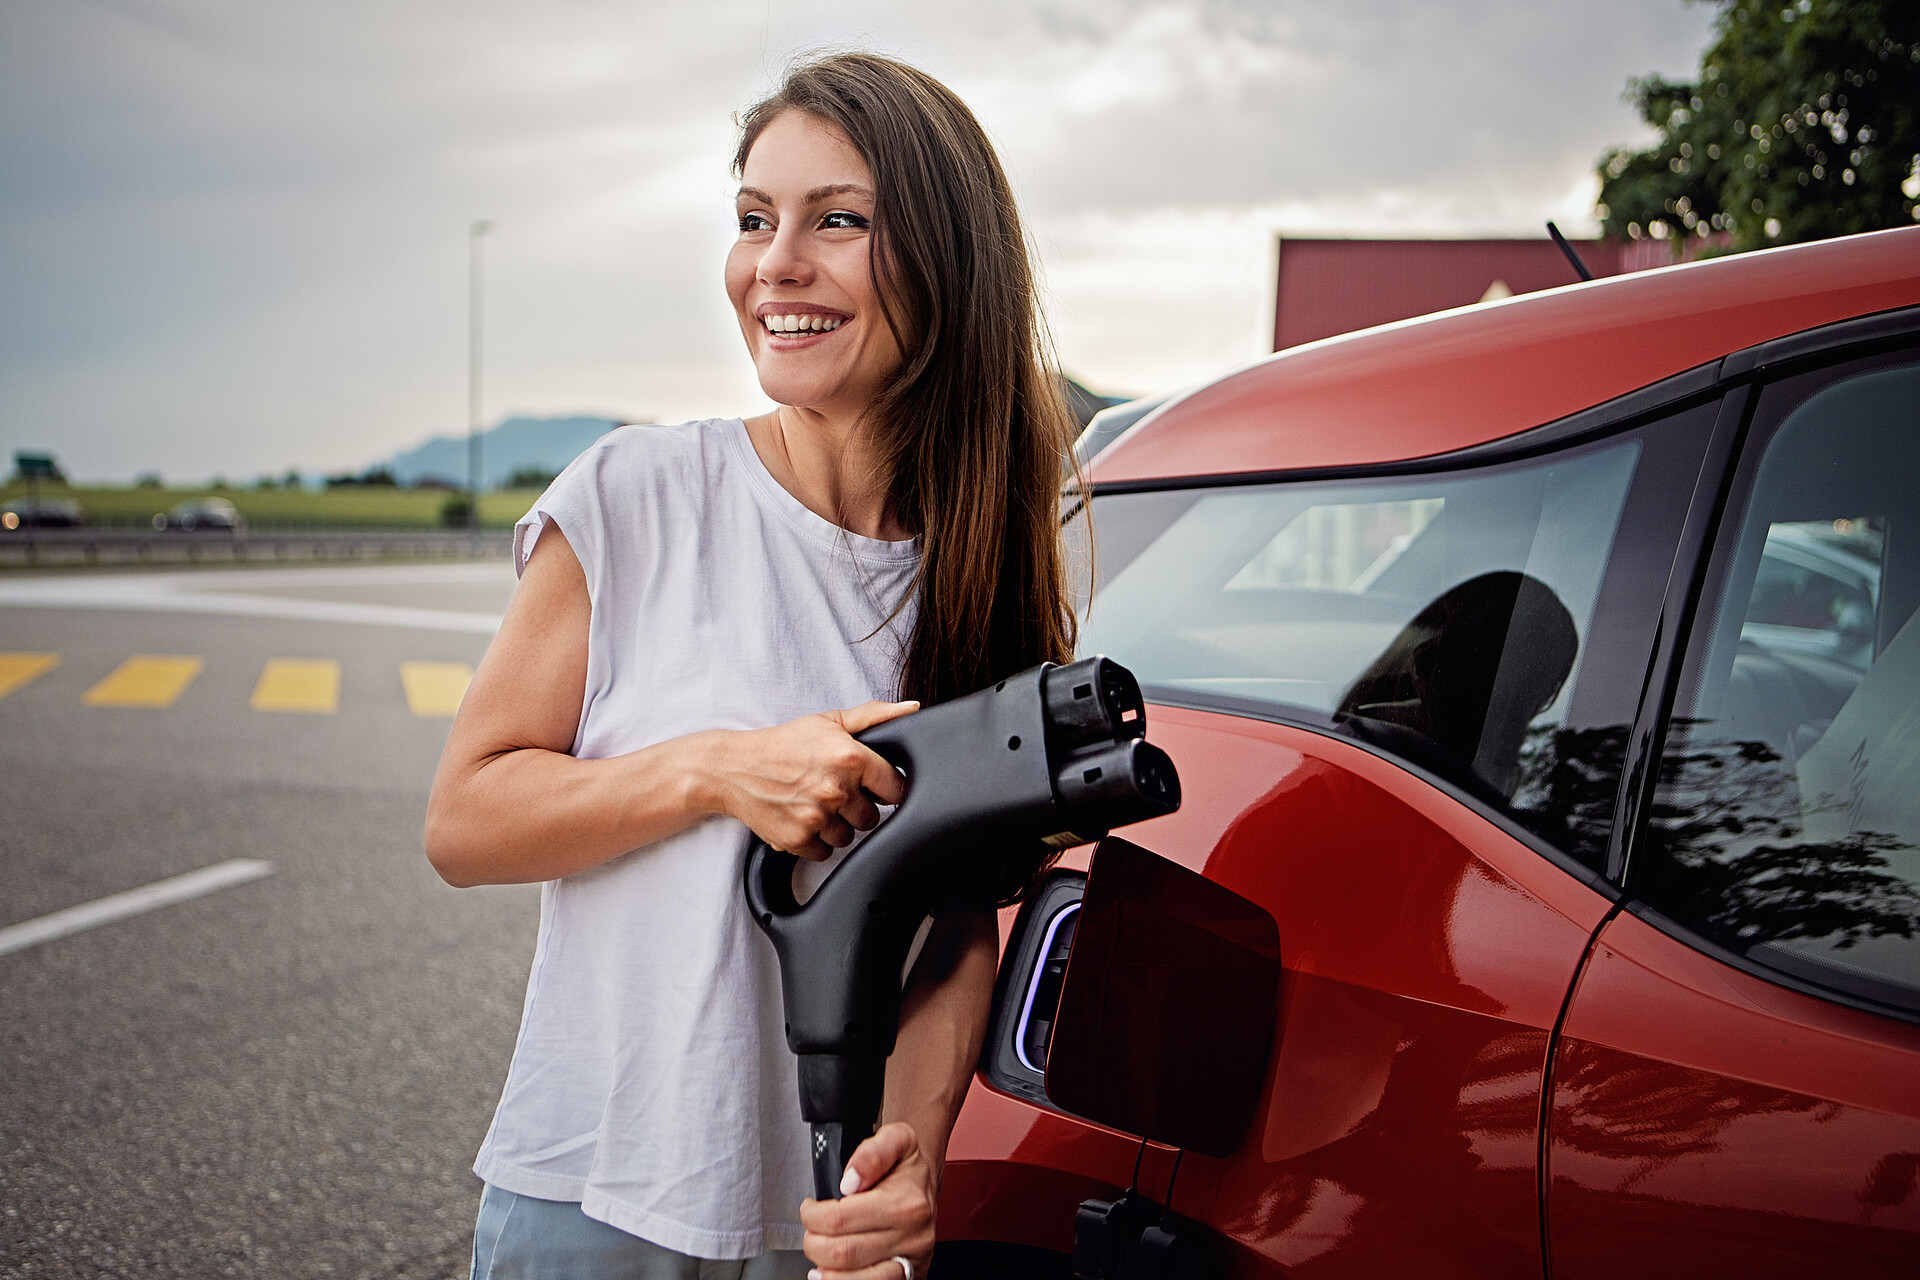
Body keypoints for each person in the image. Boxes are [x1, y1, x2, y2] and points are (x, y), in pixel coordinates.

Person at [425, 52, 1081, 1280]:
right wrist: (722, 771)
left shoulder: (981, 569)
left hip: (822, 1227)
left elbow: (956, 920)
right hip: (592, 1196)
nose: (776, 262)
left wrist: (915, 1151)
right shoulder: (638, 494)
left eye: (838, 220)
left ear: (948, 259)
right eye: (753, 219)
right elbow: (465, 820)